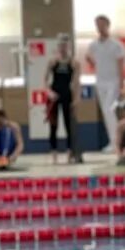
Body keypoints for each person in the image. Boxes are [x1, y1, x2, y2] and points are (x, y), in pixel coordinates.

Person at [86, 15, 125, 152]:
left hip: (113, 82)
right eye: (97, 25)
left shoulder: (116, 45)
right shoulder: (94, 45)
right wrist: (94, 64)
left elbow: (121, 65)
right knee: (106, 111)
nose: (100, 27)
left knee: (109, 109)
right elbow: (88, 57)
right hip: (100, 81)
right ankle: (113, 141)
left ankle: (117, 142)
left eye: (102, 25)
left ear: (107, 25)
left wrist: (121, 83)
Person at [45, 34, 81, 162]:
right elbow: (45, 81)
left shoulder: (74, 62)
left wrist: (76, 99)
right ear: (58, 46)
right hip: (54, 95)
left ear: (69, 46)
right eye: (61, 45)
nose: (63, 48)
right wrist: (49, 92)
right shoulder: (52, 61)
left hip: (67, 94)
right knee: (53, 125)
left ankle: (69, 152)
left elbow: (76, 82)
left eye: (65, 45)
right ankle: (54, 152)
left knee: (68, 125)